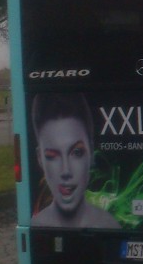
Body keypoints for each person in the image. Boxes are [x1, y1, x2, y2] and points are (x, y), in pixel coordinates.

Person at [30, 93, 120, 228]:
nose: (66, 171)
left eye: (76, 152)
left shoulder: (111, 225)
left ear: (91, 153)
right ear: (40, 159)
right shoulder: (36, 226)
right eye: (52, 155)